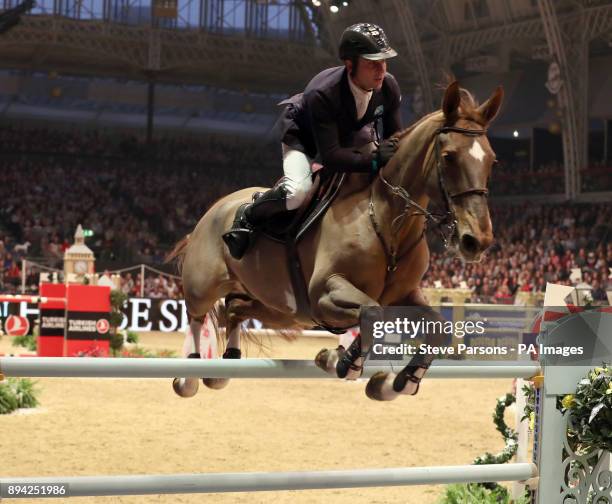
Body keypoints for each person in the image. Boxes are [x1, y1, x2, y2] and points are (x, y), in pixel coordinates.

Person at [223, 22, 403, 259]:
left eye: (383, 61)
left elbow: (395, 139)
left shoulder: (387, 85)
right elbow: (332, 157)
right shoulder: (323, 93)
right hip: (304, 137)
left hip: (349, 134)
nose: (381, 70)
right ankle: (251, 212)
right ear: (350, 64)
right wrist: (372, 161)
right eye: (372, 63)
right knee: (297, 193)